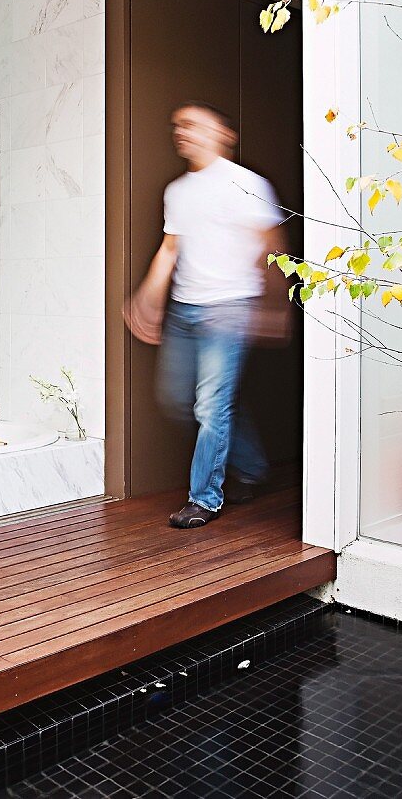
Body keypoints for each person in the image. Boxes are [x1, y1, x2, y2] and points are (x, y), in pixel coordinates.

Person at [124, 102, 289, 528]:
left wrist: (275, 305)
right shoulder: (176, 191)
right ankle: (251, 468)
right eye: (178, 125)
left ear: (223, 134)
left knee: (211, 404)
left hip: (230, 307)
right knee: (183, 400)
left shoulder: (247, 184)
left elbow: (273, 246)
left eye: (194, 124)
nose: (184, 131)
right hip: (185, 309)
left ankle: (205, 498)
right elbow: (170, 250)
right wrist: (148, 298)